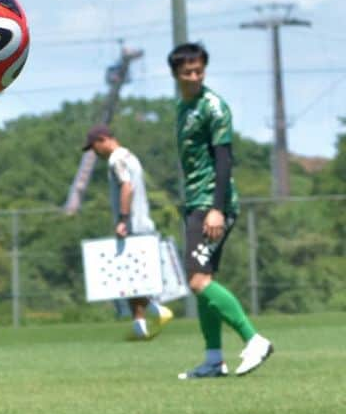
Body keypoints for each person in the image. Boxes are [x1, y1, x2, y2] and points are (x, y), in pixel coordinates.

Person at [169, 42, 274, 379]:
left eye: (199, 70)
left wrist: (216, 209)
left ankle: (253, 339)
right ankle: (214, 359)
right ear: (176, 74)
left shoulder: (214, 107)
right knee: (204, 280)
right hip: (195, 202)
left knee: (197, 280)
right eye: (188, 72)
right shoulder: (183, 107)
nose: (195, 76)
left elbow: (225, 160)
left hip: (212, 204)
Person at [83, 124, 174, 340]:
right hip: (142, 224)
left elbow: (127, 187)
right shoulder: (130, 156)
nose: (95, 153)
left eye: (94, 147)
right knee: (132, 279)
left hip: (133, 225)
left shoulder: (116, 159)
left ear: (103, 139)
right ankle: (139, 326)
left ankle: (156, 311)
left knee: (127, 279)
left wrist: (123, 219)